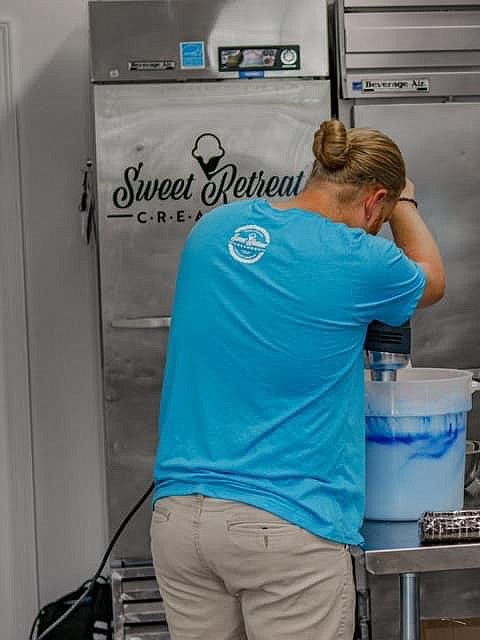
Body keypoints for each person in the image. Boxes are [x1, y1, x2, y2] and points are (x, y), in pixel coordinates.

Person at [149, 118, 444, 640]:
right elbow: (432, 279)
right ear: (375, 201)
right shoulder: (358, 256)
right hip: (286, 527)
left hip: (178, 520)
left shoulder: (215, 227)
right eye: (380, 213)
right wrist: (407, 204)